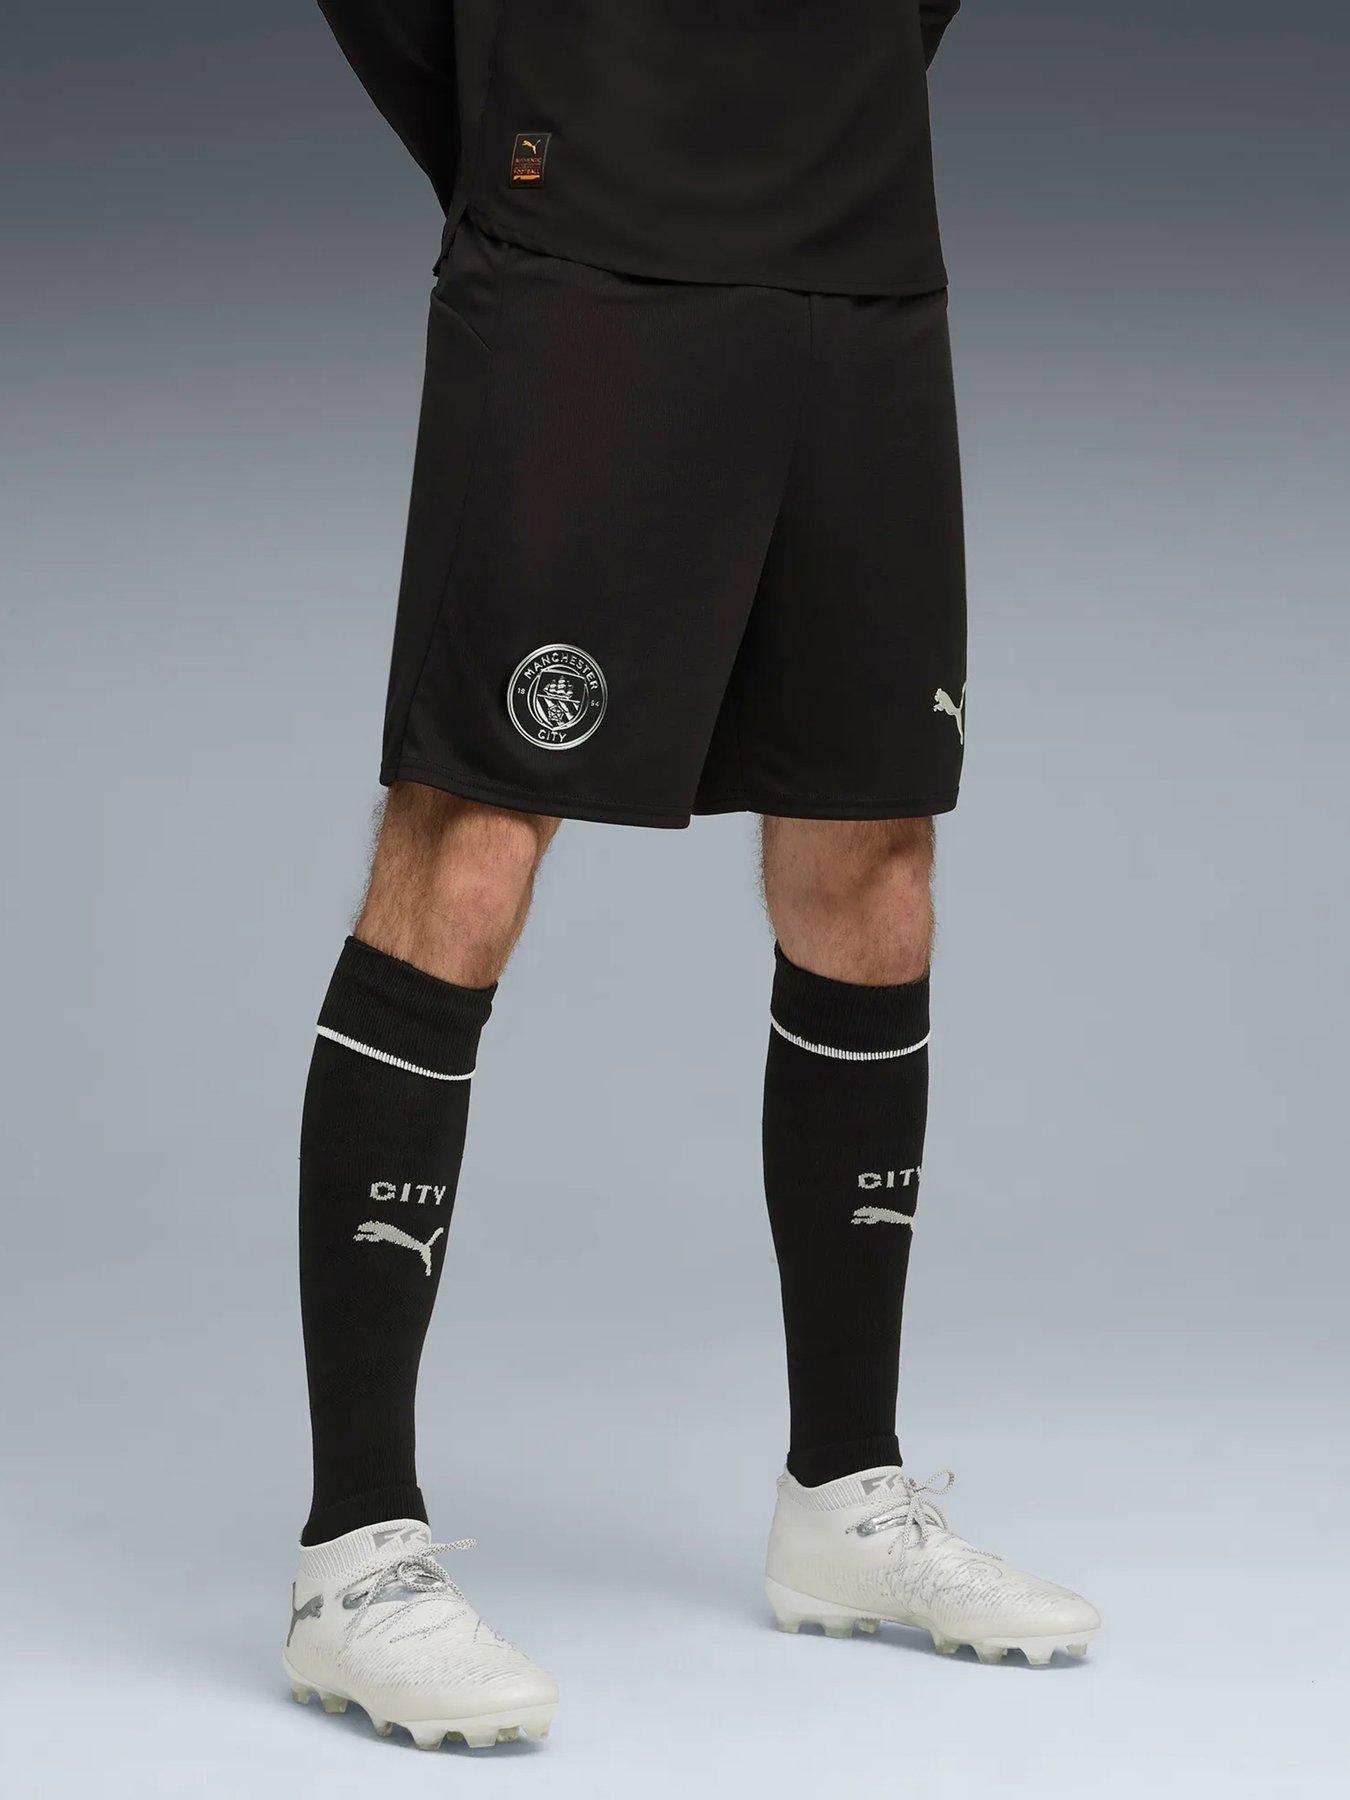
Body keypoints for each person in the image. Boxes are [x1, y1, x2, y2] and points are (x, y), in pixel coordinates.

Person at [283, 0, 1100, 1752]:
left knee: (875, 854)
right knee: (470, 838)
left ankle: (844, 1495)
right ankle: (351, 1555)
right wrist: (543, 118)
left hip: (860, 257)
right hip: (587, 247)